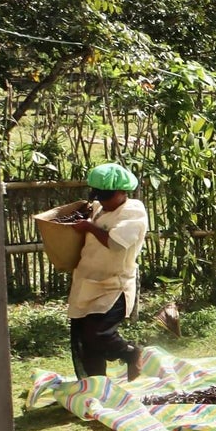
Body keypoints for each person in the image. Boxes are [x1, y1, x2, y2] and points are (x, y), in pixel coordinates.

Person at [63, 162, 149, 381]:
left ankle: (131, 353)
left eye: (107, 196)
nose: (102, 201)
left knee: (99, 334)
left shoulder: (133, 212)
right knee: (85, 338)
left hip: (114, 284)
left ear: (122, 192)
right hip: (87, 281)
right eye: (99, 196)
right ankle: (96, 385)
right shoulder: (100, 208)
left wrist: (89, 227)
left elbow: (116, 244)